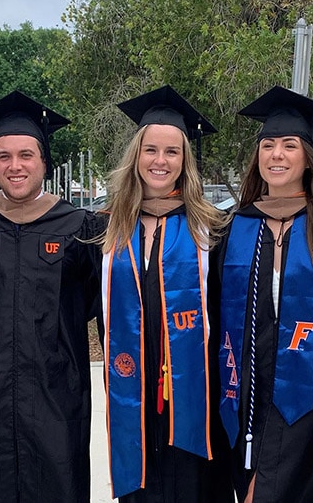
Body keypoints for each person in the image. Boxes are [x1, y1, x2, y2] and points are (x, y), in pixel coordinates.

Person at [214, 86, 313, 503]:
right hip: (244, 394)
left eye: (289, 145)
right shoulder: (232, 226)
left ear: (308, 156)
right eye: (268, 145)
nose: (276, 155)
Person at [0, 90, 100, 502]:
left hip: (57, 393)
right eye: (4, 156)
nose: (15, 165)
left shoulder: (79, 227)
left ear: (44, 162)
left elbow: (106, 307)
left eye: (26, 155)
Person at [97, 85, 231, 502]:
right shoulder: (106, 228)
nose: (160, 161)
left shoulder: (213, 227)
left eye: (172, 152)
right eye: (150, 150)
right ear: (136, 156)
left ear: (185, 160)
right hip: (133, 390)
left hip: (194, 394)